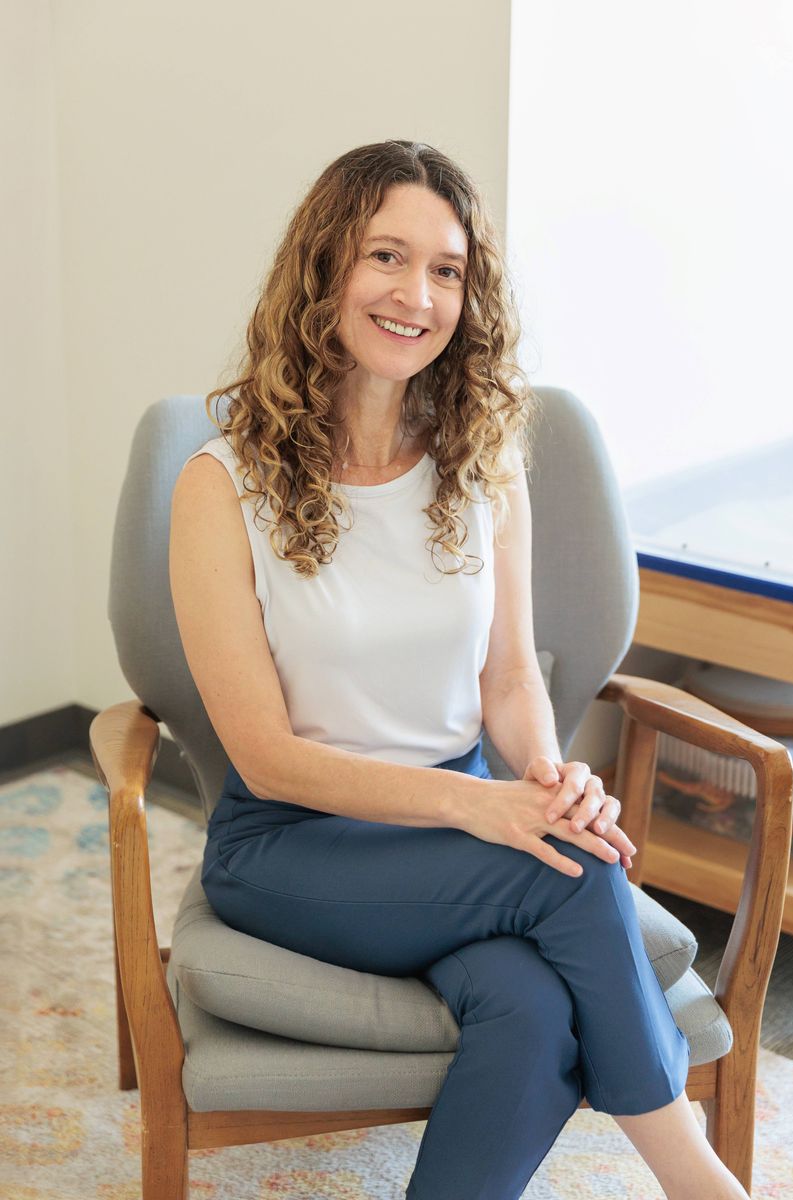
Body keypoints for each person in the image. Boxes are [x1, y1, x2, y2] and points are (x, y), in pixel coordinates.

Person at [169, 139, 748, 1199]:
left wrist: (544, 775)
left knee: (529, 1009)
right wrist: (486, 812)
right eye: (386, 256)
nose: (415, 293)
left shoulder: (481, 463)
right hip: (291, 845)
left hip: (453, 825)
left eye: (446, 270)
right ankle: (695, 1179)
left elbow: (508, 683)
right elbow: (264, 753)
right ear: (323, 269)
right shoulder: (220, 486)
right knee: (568, 868)